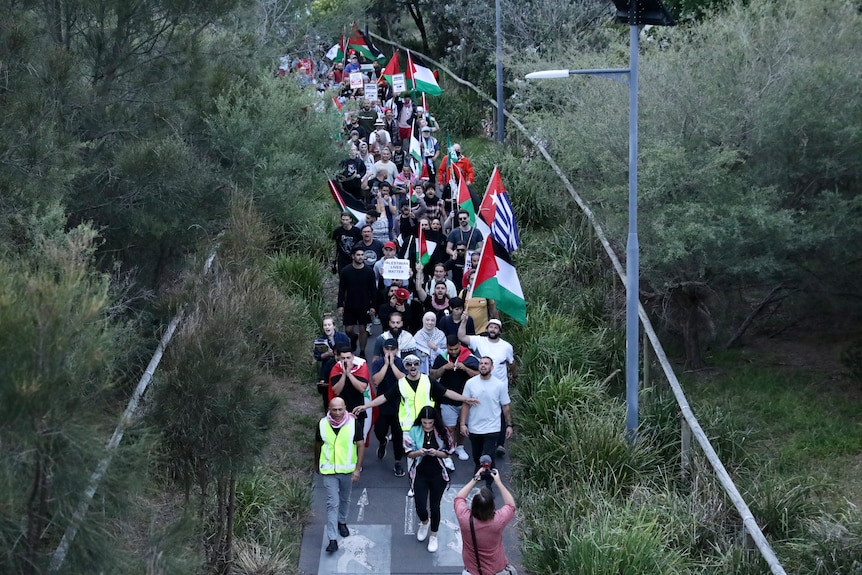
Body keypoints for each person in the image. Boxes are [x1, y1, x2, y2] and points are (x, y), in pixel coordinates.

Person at [352, 354, 478, 477]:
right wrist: (366, 406)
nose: (412, 366)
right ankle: (413, 484)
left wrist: (465, 398)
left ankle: (434, 473)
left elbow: (446, 392)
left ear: (419, 365)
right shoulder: (400, 383)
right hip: (408, 425)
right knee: (412, 455)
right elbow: (384, 398)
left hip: (427, 423)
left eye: (415, 364)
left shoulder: (428, 380)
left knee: (429, 451)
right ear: (405, 367)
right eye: (409, 364)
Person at [459, 317, 515, 456]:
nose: (493, 329)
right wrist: (464, 321)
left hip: (499, 383)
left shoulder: (506, 346)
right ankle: (479, 438)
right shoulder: (479, 340)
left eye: (496, 328)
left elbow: (512, 363)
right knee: (480, 408)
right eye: (491, 327)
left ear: (499, 331)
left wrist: (515, 375)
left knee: (501, 410)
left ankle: (500, 443)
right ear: (487, 328)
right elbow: (461, 336)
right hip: (481, 382)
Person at [315, 397, 365, 554]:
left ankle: (342, 521)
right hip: (329, 470)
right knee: (332, 502)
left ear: (345, 409)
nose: (337, 413)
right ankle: (332, 539)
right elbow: (317, 444)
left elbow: (360, 445)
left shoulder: (353, 423)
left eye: (340, 409)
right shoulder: (322, 424)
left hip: (346, 470)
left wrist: (357, 469)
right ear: (329, 409)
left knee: (345, 498)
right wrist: (316, 464)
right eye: (334, 409)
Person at [404, 406, 454, 553]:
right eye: (424, 423)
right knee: (419, 505)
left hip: (438, 474)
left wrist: (437, 453)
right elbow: (408, 452)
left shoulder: (442, 432)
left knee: (435, 506)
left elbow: (449, 452)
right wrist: (419, 452)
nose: (427, 426)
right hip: (420, 473)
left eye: (430, 423)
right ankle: (424, 522)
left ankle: (434, 535)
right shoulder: (414, 431)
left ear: (435, 421)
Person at [454, 467, 516, 575]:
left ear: (473, 505)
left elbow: (459, 498)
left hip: (472, 571)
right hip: (497, 570)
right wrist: (498, 482)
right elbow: (511, 505)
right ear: (492, 507)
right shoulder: (498, 520)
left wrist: (475, 479)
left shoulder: (464, 519)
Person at [459, 356, 513, 479]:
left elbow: (505, 406)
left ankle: (489, 485)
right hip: (475, 427)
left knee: (489, 457)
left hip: (492, 427)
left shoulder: (499, 385)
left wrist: (509, 425)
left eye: (486, 363)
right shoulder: (470, 383)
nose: (483, 365)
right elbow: (465, 404)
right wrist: (463, 424)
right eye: (481, 363)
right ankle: (478, 471)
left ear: (492, 367)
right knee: (477, 455)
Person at [430, 334, 479, 464]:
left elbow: (479, 375)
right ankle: (449, 450)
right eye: (450, 349)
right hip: (447, 399)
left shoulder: (469, 357)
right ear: (446, 347)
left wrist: (466, 368)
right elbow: (432, 376)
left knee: (462, 426)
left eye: (455, 349)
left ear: (460, 346)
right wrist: (443, 368)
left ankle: (460, 447)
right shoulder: (442, 358)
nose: (453, 352)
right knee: (450, 428)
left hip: (465, 399)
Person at [370, 338, 406, 466]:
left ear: (397, 350)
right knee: (379, 431)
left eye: (392, 349)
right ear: (383, 349)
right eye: (387, 349)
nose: (389, 352)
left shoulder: (401, 363)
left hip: (398, 404)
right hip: (382, 403)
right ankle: (382, 442)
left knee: (398, 436)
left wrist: (392, 365)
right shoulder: (378, 363)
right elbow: (376, 381)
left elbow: (403, 380)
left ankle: (397, 462)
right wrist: (386, 365)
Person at [337, 245, 377, 355]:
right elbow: (341, 289)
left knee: (363, 329)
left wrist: (373, 306)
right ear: (353, 256)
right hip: (350, 304)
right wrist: (340, 305)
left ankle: (362, 352)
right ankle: (354, 338)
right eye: (358, 255)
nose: (360, 257)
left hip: (364, 305)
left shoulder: (369, 272)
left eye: (362, 255)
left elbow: (373, 290)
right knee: (348, 330)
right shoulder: (346, 271)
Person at [313, 313, 351, 412]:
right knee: (327, 397)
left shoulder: (343, 337)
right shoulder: (320, 340)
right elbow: (317, 357)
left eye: (329, 325)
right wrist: (327, 354)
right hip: (327, 369)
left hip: (342, 368)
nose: (327, 327)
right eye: (325, 325)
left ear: (334, 326)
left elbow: (348, 351)